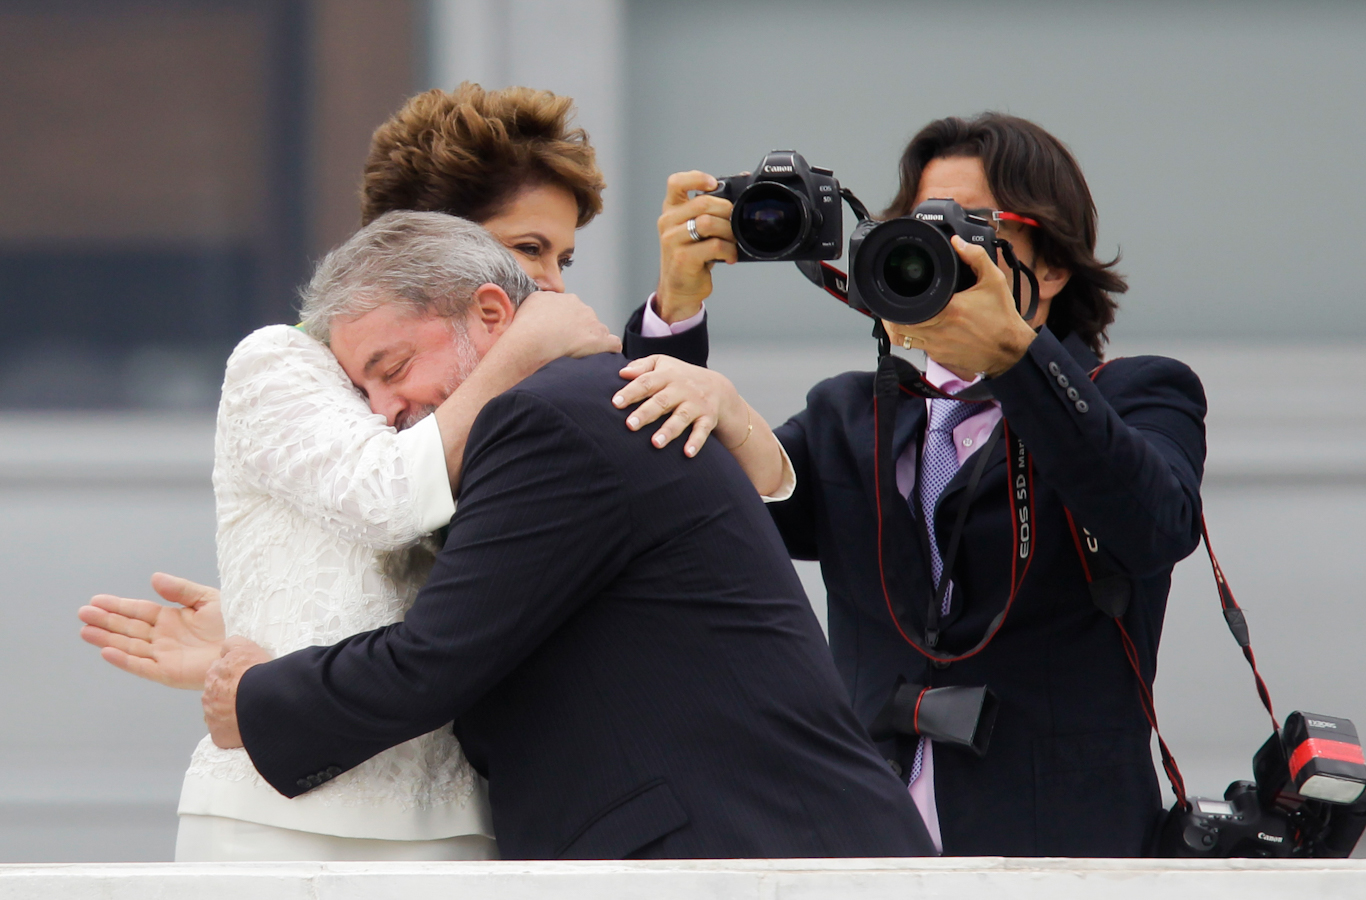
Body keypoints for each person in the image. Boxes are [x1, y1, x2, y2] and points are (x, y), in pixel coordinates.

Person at [78, 83, 789, 861]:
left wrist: (679, 334)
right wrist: (519, 351)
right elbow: (389, 496)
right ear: (425, 247)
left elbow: (605, 514)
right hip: (290, 811)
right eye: (526, 251)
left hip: (465, 812)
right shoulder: (284, 359)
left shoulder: (509, 407)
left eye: (562, 257)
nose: (550, 288)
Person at [199, 210, 935, 860]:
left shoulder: (551, 420)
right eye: (363, 393)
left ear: (490, 313)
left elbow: (434, 660)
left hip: (751, 852)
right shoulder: (574, 406)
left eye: (392, 369)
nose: (385, 409)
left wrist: (254, 701)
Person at [614, 113, 1207, 856]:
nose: (942, 249)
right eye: (920, 225)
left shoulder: (1137, 395)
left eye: (973, 229)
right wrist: (675, 316)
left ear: (1052, 265)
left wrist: (1017, 360)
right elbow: (676, 516)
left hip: (1057, 851)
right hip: (863, 839)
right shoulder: (847, 414)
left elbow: (1153, 526)